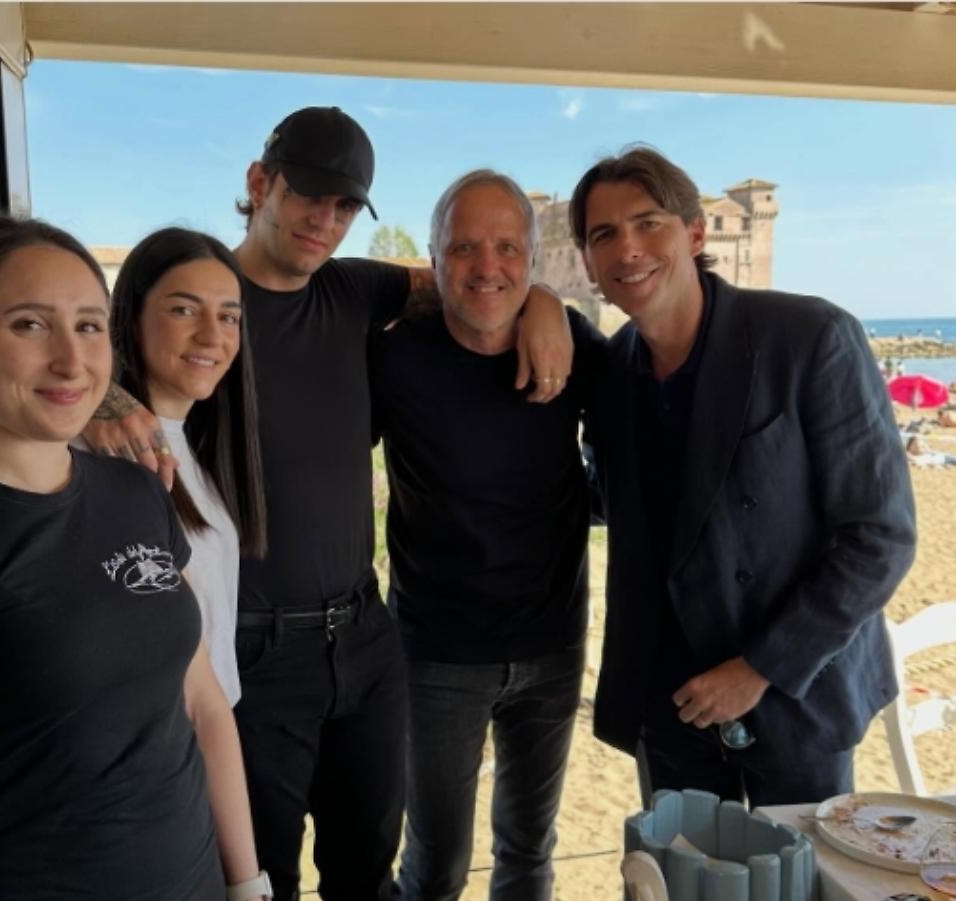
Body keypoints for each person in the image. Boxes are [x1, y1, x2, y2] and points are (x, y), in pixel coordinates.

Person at [83, 107, 574, 900]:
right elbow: (107, 364)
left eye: (346, 206)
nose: (326, 219)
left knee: (368, 867)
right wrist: (103, 402)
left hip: (366, 637)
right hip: (253, 651)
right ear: (259, 184)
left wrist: (544, 301)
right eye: (309, 193)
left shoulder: (355, 287)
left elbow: (468, 280)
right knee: (260, 867)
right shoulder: (208, 301)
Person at [0, 217, 269, 901]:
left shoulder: (137, 491)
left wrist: (248, 883)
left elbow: (203, 703)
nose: (71, 360)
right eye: (30, 325)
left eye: (89, 326)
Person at [571, 146, 916, 807]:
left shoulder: (809, 337)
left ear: (695, 234)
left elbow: (880, 536)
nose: (627, 250)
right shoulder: (611, 371)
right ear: (588, 263)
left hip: (794, 694)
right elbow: (604, 498)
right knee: (689, 880)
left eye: (649, 223)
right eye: (603, 234)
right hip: (669, 701)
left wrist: (761, 667)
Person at [371, 170, 602, 899]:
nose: (487, 265)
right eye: (463, 247)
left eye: (508, 247)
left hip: (552, 644)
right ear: (433, 259)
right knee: (434, 861)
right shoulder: (394, 353)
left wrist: (551, 306)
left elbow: (639, 450)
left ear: (533, 259)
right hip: (435, 653)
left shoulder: (575, 344)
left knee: (529, 850)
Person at [107, 227, 266, 706]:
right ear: (131, 319)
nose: (212, 335)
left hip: (202, 738)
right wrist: (102, 400)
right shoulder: (110, 449)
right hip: (161, 749)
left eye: (228, 316)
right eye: (184, 309)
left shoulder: (193, 450)